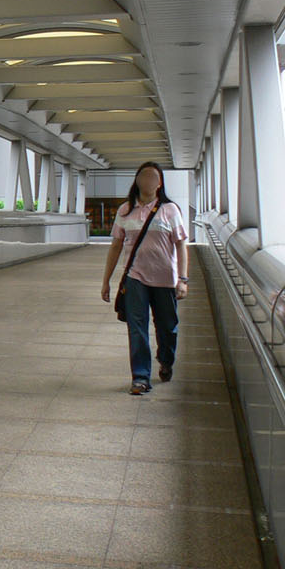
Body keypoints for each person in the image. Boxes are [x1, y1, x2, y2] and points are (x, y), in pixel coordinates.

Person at [100, 161, 189, 395]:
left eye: (153, 177)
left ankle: (166, 359)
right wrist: (106, 280)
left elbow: (181, 246)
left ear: (159, 184)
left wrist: (183, 279)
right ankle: (140, 377)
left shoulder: (170, 210)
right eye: (144, 175)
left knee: (167, 328)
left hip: (165, 280)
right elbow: (116, 246)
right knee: (137, 328)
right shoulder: (125, 210)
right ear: (137, 180)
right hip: (135, 277)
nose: (148, 180)